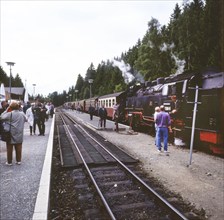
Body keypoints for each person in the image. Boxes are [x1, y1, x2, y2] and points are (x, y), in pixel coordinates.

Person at [0, 101, 27, 165]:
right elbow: (26, 119)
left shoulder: (10, 114)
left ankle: (9, 162)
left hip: (10, 133)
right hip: (19, 133)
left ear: (11, 107)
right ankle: (18, 160)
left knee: (9, 148)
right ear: (18, 107)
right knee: (19, 147)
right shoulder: (22, 114)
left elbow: (1, 117)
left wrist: (6, 110)